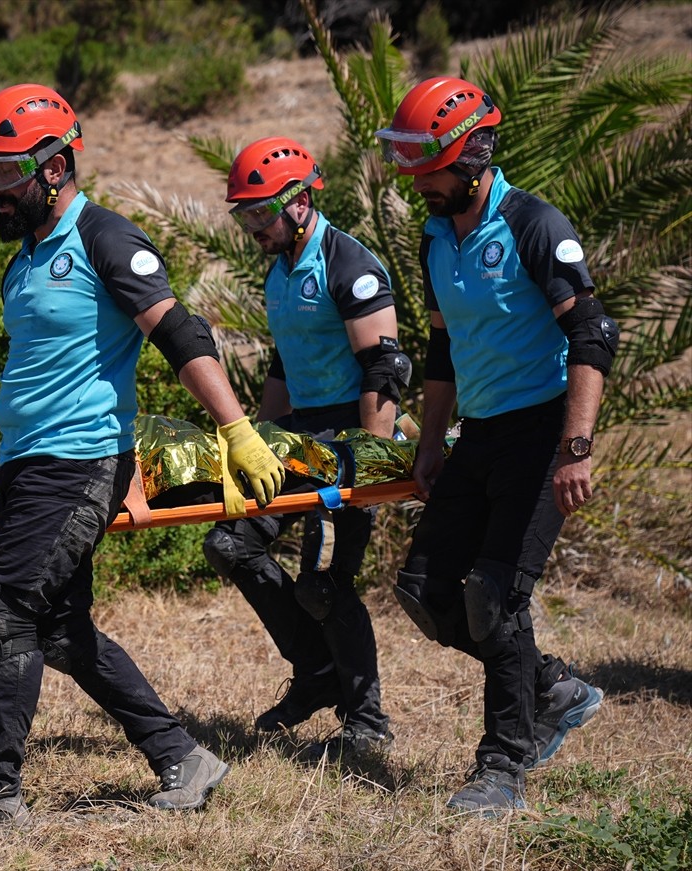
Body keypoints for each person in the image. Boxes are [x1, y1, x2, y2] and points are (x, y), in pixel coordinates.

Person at [0, 83, 287, 829]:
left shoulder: (106, 238)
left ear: (56, 165)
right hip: (31, 462)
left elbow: (180, 333)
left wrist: (235, 429)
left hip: (76, 460)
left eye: (6, 175)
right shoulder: (26, 258)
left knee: (1, 614)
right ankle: (182, 756)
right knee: (60, 631)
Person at [375, 76, 613, 815]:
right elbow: (442, 349)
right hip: (477, 431)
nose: (418, 184)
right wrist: (430, 442)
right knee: (425, 591)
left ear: (473, 156)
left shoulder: (535, 225)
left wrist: (577, 446)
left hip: (543, 434)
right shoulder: (435, 236)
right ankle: (551, 686)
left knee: (495, 596)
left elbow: (592, 333)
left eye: (429, 169)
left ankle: (502, 767)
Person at [201, 137, 406, 760]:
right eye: (244, 216)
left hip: (350, 436)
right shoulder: (280, 270)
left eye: (260, 214)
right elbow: (283, 364)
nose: (251, 228)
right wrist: (253, 443)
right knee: (229, 541)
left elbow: (384, 370)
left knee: (322, 581)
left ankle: (366, 718)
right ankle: (316, 672)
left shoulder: (350, 267)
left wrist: (371, 461)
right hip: (297, 435)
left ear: (298, 203)